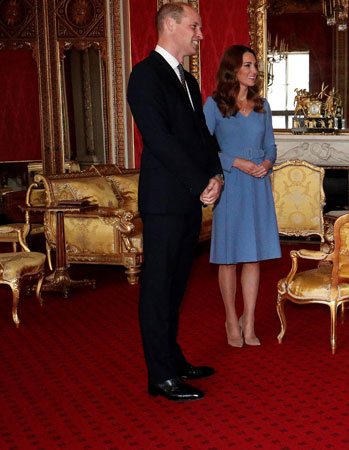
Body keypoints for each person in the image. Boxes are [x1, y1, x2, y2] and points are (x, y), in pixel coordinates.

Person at [127, 2, 223, 402]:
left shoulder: (187, 78)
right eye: (194, 26)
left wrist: (215, 174)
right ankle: (161, 376)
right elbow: (161, 141)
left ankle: (173, 358)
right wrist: (199, 180)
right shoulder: (145, 76)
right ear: (170, 25)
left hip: (187, 199)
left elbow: (200, 135)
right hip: (165, 201)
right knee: (158, 289)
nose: (200, 34)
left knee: (176, 287)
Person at [203, 45, 281, 348]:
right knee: (228, 257)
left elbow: (271, 148)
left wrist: (264, 164)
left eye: (256, 66)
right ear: (233, 68)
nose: (253, 71)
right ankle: (230, 319)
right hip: (231, 184)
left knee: (252, 256)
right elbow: (205, 149)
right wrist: (235, 162)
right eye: (247, 65)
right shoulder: (214, 105)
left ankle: (248, 321)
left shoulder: (262, 106)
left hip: (258, 186)